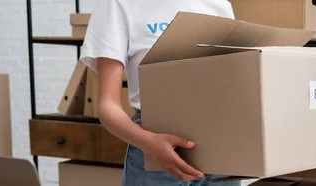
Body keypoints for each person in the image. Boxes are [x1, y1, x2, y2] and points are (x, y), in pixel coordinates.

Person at [79, 0, 240, 185]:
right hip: (155, 146)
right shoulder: (118, 4)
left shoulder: (218, 5)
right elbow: (107, 105)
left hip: (221, 146)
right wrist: (150, 144)